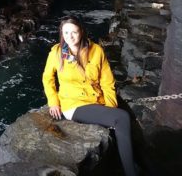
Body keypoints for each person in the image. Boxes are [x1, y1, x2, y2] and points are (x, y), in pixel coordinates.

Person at [42, 16, 137, 176]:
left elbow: (107, 82)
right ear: (61, 33)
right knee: (121, 118)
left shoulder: (96, 50)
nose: (69, 36)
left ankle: (135, 162)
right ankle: (130, 172)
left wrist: (110, 107)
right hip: (74, 105)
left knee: (124, 117)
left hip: (96, 100)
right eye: (66, 32)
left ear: (81, 32)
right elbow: (47, 78)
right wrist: (53, 102)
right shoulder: (57, 53)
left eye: (74, 32)